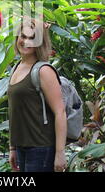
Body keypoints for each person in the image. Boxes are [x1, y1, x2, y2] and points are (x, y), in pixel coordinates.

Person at [8, 17, 67, 172]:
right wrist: (12, 148)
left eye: (32, 38)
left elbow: (60, 112)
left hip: (41, 149)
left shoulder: (43, 71)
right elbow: (15, 111)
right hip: (22, 148)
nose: (26, 41)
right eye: (23, 36)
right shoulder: (17, 67)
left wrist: (60, 153)